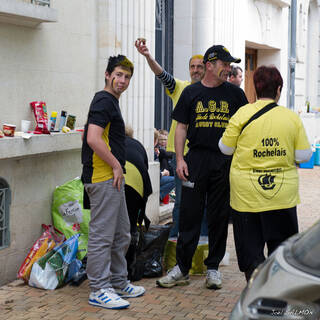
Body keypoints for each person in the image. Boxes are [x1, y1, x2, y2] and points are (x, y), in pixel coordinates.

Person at [156, 45, 248, 290]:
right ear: (210, 65)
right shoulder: (191, 93)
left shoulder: (236, 95)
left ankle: (213, 268)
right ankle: (182, 269)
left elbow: (245, 130)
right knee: (189, 214)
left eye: (230, 65)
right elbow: (182, 127)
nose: (228, 69)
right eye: (224, 64)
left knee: (218, 216)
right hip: (195, 160)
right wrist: (179, 160)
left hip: (224, 162)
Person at [219, 65, 312, 281]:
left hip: (246, 196)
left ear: (255, 89)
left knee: (251, 253)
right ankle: (275, 292)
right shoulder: (291, 118)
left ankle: (255, 289)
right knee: (281, 252)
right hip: (281, 196)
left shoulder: (242, 114)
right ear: (279, 89)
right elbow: (304, 155)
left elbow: (225, 148)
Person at [81, 55, 145, 310]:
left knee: (121, 234)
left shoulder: (111, 101)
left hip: (114, 178)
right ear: (108, 74)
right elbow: (93, 138)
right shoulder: (104, 100)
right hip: (102, 176)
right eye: (118, 74)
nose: (122, 80)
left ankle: (119, 281)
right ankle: (99, 289)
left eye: (127, 76)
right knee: (102, 237)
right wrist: (117, 164)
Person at [135, 38, 206, 237]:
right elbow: (161, 74)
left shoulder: (212, 92)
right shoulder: (181, 88)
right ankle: (176, 239)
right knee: (182, 201)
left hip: (203, 155)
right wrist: (148, 56)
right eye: (192, 66)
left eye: (199, 67)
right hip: (180, 155)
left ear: (206, 69)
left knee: (204, 203)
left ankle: (202, 242)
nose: (195, 70)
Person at [124, 126, 153, 280]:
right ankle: (129, 269)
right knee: (131, 226)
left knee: (113, 228)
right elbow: (145, 168)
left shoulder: (110, 142)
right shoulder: (137, 144)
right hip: (137, 185)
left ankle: (114, 270)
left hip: (115, 181)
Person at [154, 129, 175, 204]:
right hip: (161, 173)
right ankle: (159, 196)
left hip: (167, 172)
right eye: (161, 140)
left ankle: (169, 196)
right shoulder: (158, 150)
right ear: (157, 140)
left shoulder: (168, 149)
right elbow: (167, 154)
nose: (163, 141)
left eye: (165, 140)